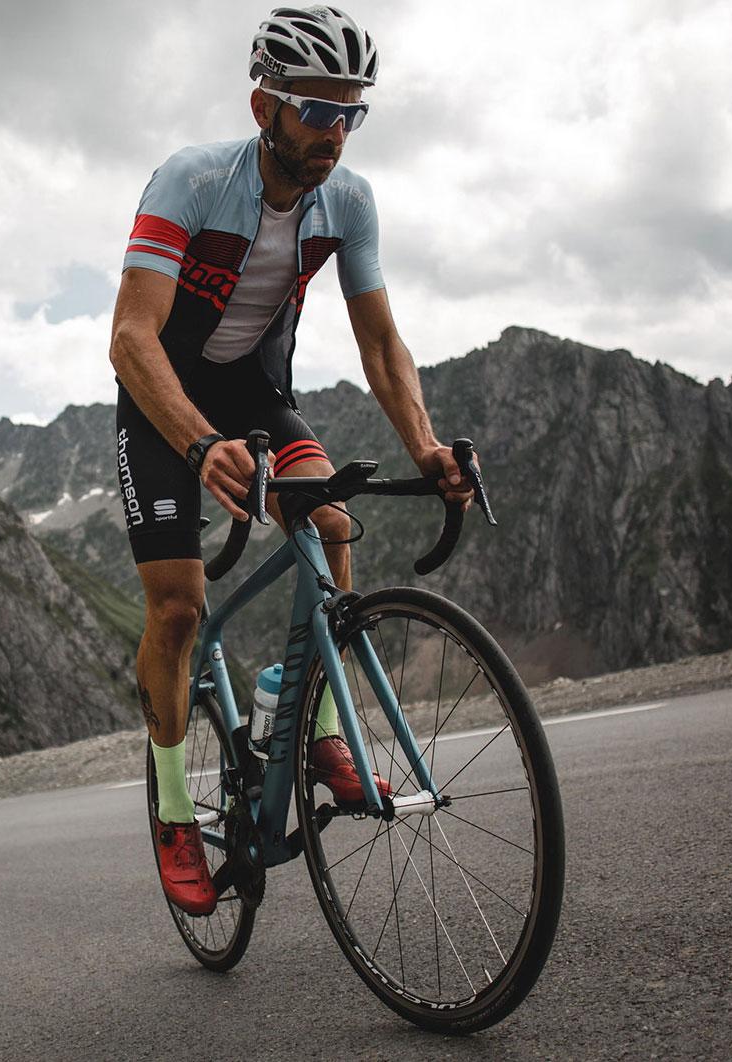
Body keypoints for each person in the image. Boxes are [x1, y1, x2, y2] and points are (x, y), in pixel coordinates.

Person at [109, 5, 474, 916]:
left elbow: (382, 346)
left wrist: (425, 447)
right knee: (181, 605)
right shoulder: (193, 180)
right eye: (316, 110)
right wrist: (196, 444)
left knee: (333, 523)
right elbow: (129, 337)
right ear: (262, 103)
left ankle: (301, 711)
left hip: (255, 396)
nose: (336, 133)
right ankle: (170, 806)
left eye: (352, 113)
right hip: (163, 400)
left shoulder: (348, 201)